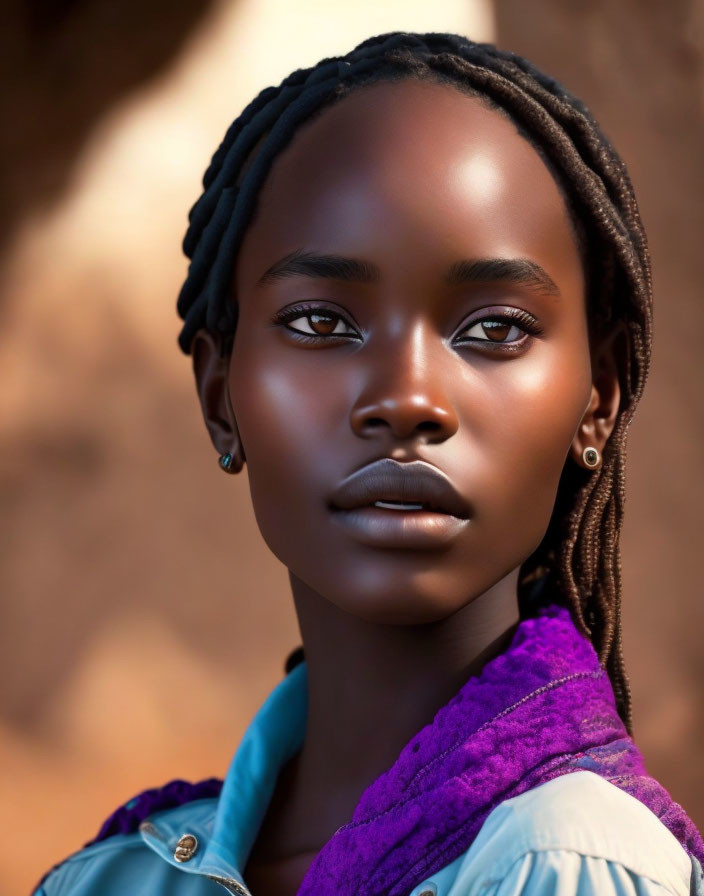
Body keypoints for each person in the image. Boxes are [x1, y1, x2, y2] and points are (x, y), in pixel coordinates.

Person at [33, 31, 704, 896]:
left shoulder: (568, 862)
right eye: (321, 323)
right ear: (218, 396)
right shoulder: (118, 877)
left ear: (598, 400)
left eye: (494, 328)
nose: (407, 397)